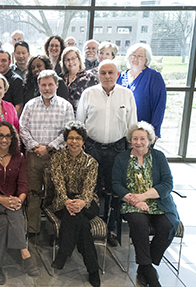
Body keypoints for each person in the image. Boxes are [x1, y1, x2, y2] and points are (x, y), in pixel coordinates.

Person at [76, 60, 137, 247]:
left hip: (117, 148)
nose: (107, 76)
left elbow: (132, 125)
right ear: (98, 75)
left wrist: (131, 152)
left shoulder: (127, 95)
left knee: (115, 190)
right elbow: (79, 123)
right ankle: (88, 228)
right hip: (92, 147)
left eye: (111, 72)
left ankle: (110, 228)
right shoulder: (89, 94)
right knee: (89, 187)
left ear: (117, 74)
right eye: (103, 73)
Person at [112, 121, 180, 287]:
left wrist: (143, 197)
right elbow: (115, 184)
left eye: (142, 138)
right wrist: (134, 200)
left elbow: (167, 183)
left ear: (149, 140)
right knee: (138, 223)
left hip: (158, 202)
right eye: (135, 138)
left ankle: (145, 266)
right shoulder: (122, 158)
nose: (138, 142)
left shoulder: (159, 157)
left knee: (168, 225)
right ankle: (150, 273)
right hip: (131, 203)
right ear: (130, 140)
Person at [0, 121, 39, 285]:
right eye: (0, 135)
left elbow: (23, 185)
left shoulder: (19, 157)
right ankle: (24, 252)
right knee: (12, 210)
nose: (4, 139)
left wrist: (19, 200)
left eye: (8, 136)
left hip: (11, 200)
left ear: (13, 138)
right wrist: (4, 201)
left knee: (5, 222)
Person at [20, 69, 74, 236]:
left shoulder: (66, 106)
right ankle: (32, 229)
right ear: (38, 86)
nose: (47, 88)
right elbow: (22, 128)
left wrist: (49, 147)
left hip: (56, 156)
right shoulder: (30, 105)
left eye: (51, 84)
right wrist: (35, 146)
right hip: (33, 156)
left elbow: (68, 132)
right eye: (43, 85)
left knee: (55, 192)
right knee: (33, 193)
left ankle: (54, 231)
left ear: (57, 85)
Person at [49, 121, 100, 287]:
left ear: (83, 141)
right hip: (63, 200)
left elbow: (89, 188)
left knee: (77, 215)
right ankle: (93, 270)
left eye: (78, 138)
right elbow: (58, 183)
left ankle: (63, 253)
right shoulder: (57, 158)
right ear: (66, 140)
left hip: (87, 201)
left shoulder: (91, 162)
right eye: (70, 138)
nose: (74, 141)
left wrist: (81, 202)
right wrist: (66, 200)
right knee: (82, 225)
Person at [116, 43, 167, 141]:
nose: (135, 58)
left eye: (140, 56)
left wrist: (155, 130)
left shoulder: (154, 76)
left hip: (143, 130)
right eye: (133, 55)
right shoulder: (122, 76)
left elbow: (159, 105)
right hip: (122, 130)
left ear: (146, 59)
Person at [59, 46, 99, 112]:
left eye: (73, 58)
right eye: (67, 59)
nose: (70, 62)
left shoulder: (90, 78)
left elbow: (95, 101)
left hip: (82, 116)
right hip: (63, 115)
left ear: (79, 59)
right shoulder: (60, 78)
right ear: (63, 62)